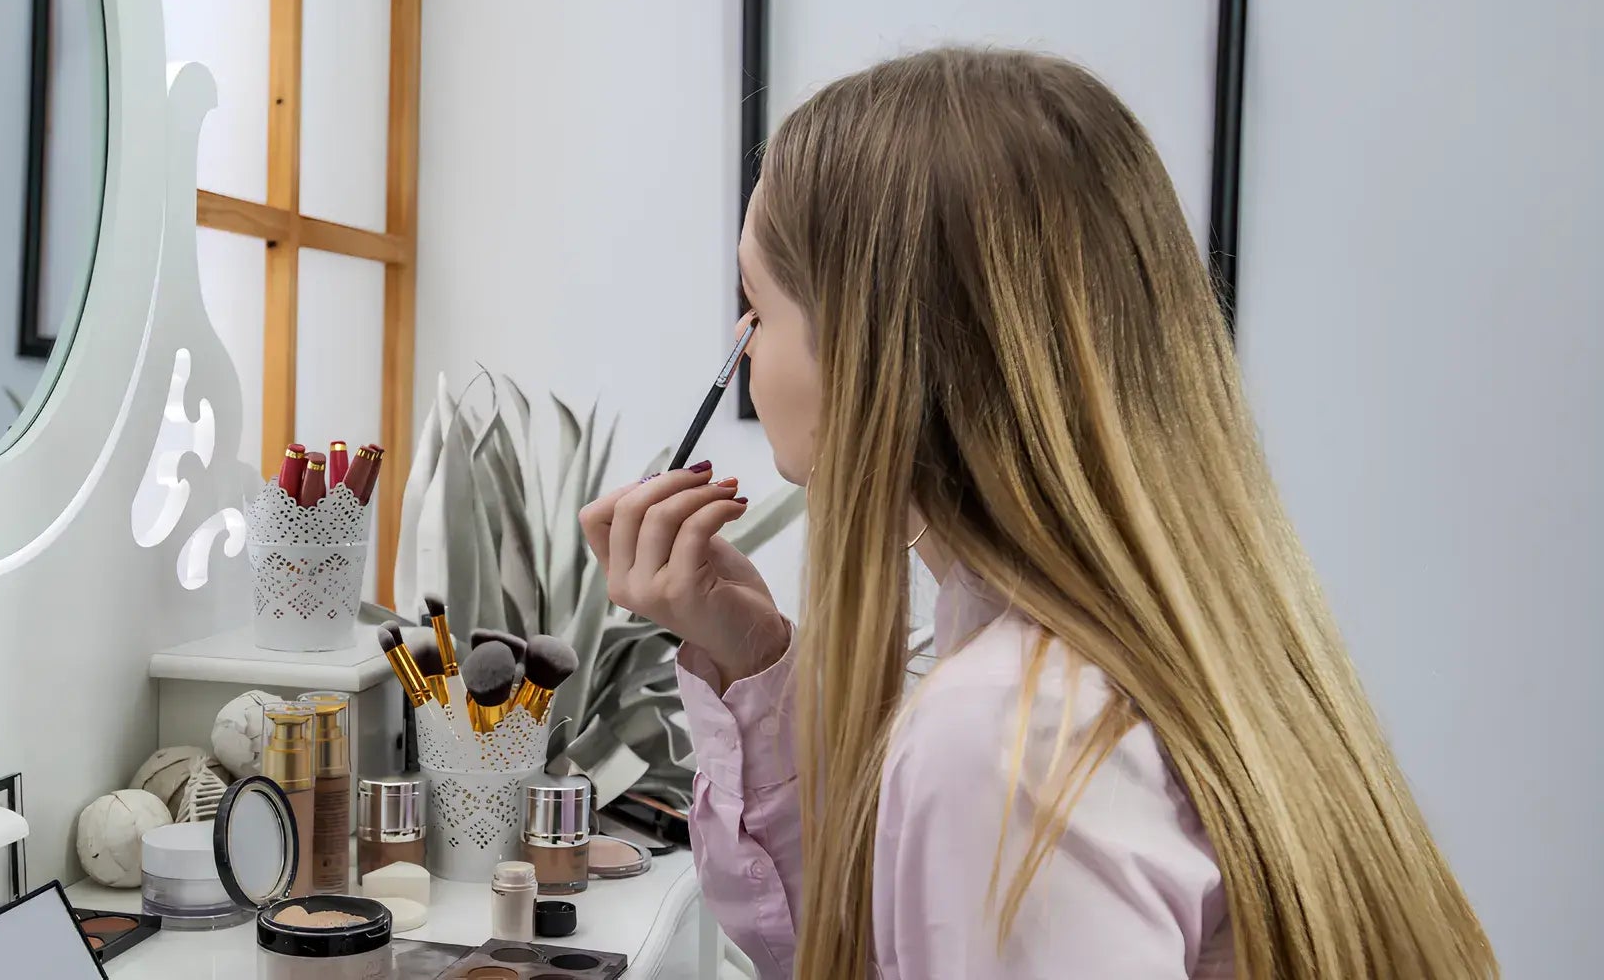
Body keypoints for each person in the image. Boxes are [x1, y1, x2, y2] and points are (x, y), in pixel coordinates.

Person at [579, 48, 1494, 979]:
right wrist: (753, 655)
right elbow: (892, 940)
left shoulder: (1005, 741)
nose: (741, 346)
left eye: (756, 305)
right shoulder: (1161, 667)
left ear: (869, 350)